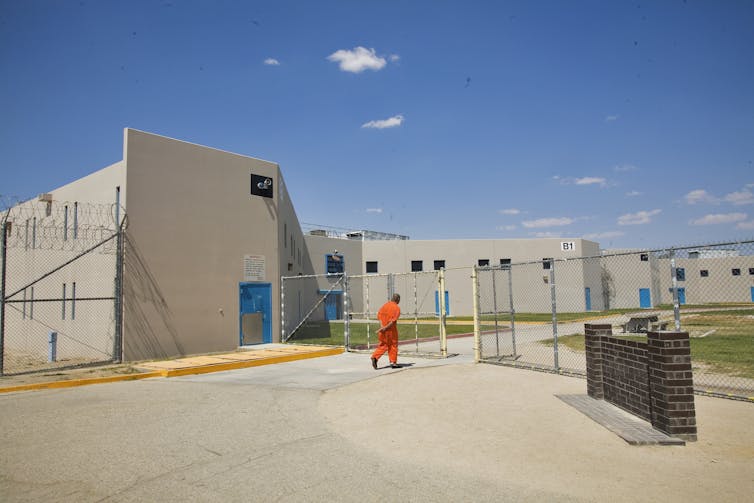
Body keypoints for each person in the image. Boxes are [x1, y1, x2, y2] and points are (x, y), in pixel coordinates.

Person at [371, 293, 401, 369]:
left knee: (383, 345)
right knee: (393, 345)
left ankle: (375, 357)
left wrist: (382, 327)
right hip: (390, 330)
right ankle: (393, 362)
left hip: (383, 330)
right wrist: (386, 328)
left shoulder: (384, 306)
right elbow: (392, 322)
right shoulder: (396, 308)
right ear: (397, 299)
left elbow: (379, 317)